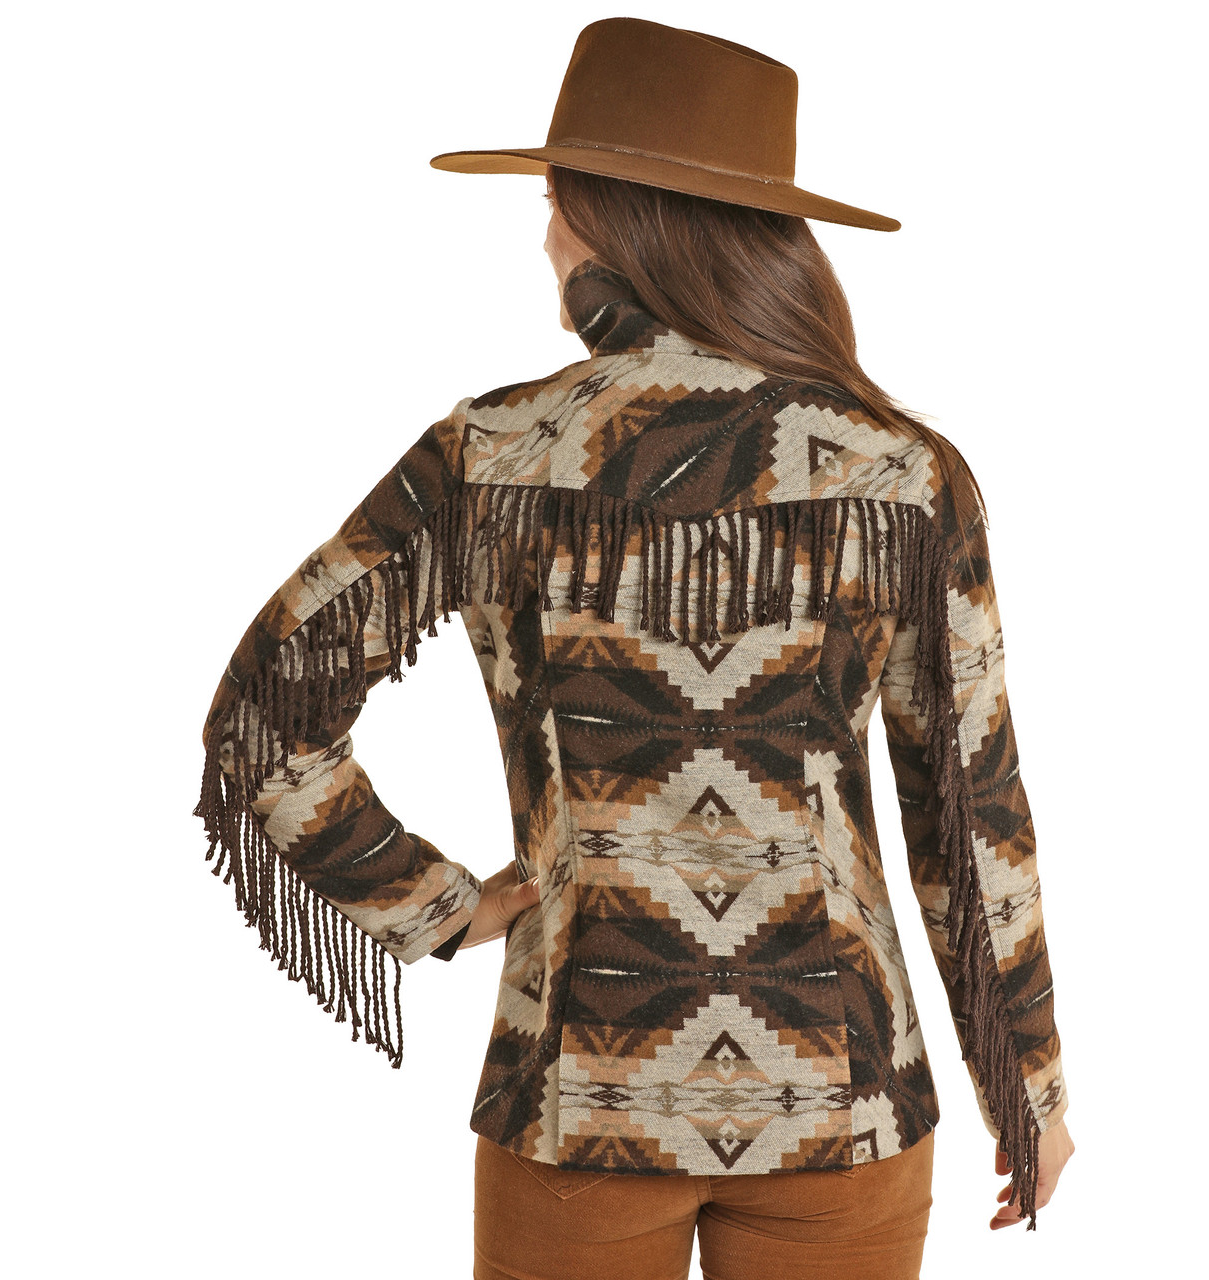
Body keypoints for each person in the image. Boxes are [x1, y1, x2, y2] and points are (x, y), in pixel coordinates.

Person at [195, 17, 1074, 1280]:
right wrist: (1027, 1092)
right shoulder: (898, 473)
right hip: (843, 1099)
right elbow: (970, 809)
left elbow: (262, 722)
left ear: (604, 222)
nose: (543, 239)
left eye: (551, 205)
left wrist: (442, 903)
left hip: (575, 1095)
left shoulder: (489, 453)